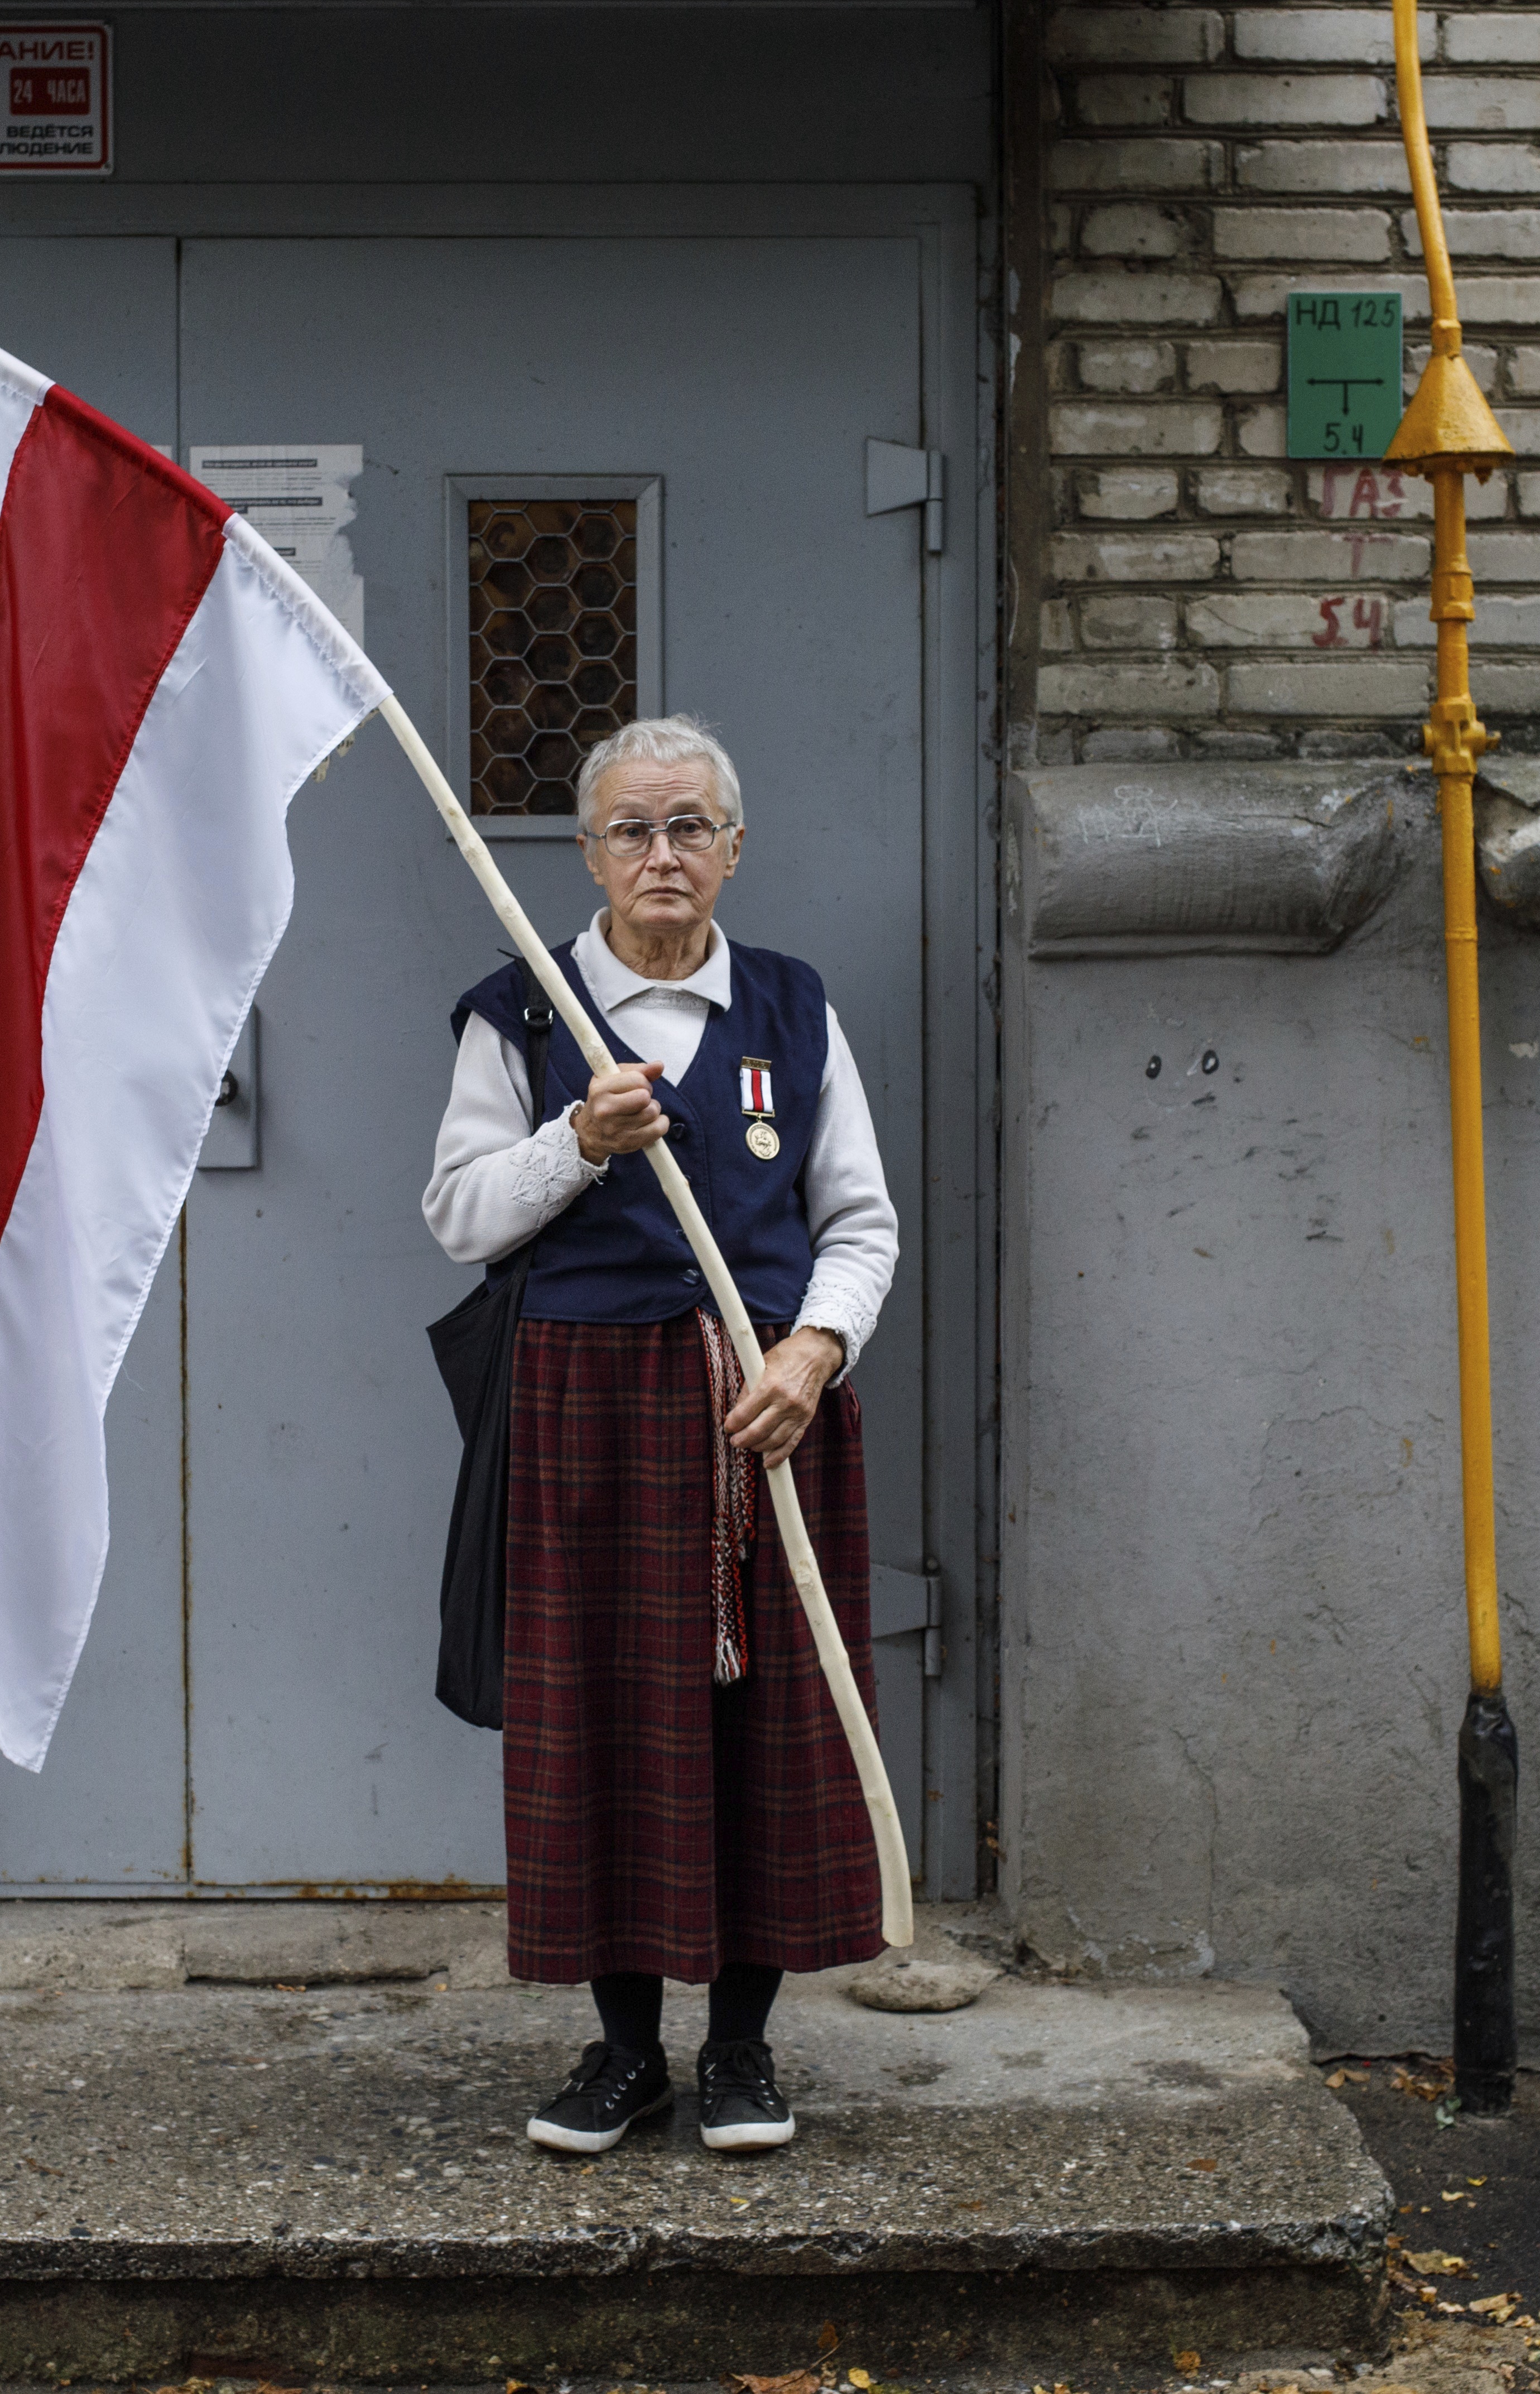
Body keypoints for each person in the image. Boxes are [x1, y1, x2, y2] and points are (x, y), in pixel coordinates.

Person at [424, 714, 898, 2156]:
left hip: (762, 1418)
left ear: (734, 849)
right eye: (631, 828)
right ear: (587, 852)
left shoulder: (793, 1009)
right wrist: (577, 1141)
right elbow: (454, 1215)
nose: (662, 854)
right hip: (587, 1420)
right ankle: (624, 2051)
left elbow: (858, 1222)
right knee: (602, 1726)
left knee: (762, 1727)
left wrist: (815, 1350)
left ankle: (743, 2047)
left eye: (690, 825)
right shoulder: (520, 1010)